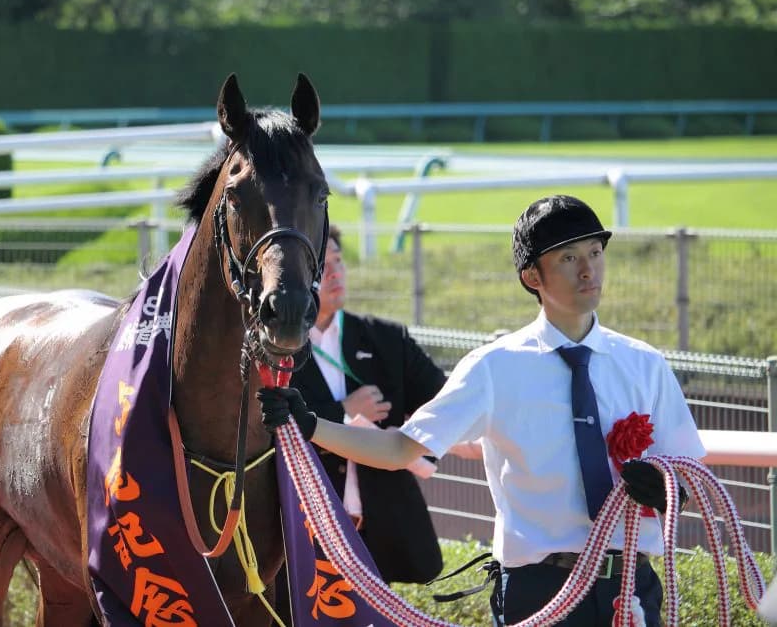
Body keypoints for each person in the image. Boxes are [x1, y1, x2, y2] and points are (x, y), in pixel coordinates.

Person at [260, 195, 705, 626]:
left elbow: (688, 472)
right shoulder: (493, 367)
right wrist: (311, 426)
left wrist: (671, 492)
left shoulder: (645, 365)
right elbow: (400, 449)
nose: (588, 269)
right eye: (568, 258)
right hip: (537, 591)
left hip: (630, 590)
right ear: (532, 276)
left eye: (594, 252)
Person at [290, 225, 445, 584]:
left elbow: (445, 406)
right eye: (321, 265)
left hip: (383, 534)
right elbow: (268, 426)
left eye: (338, 261)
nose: (335, 273)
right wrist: (341, 412)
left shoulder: (387, 339)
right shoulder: (274, 350)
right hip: (304, 531)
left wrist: (404, 445)